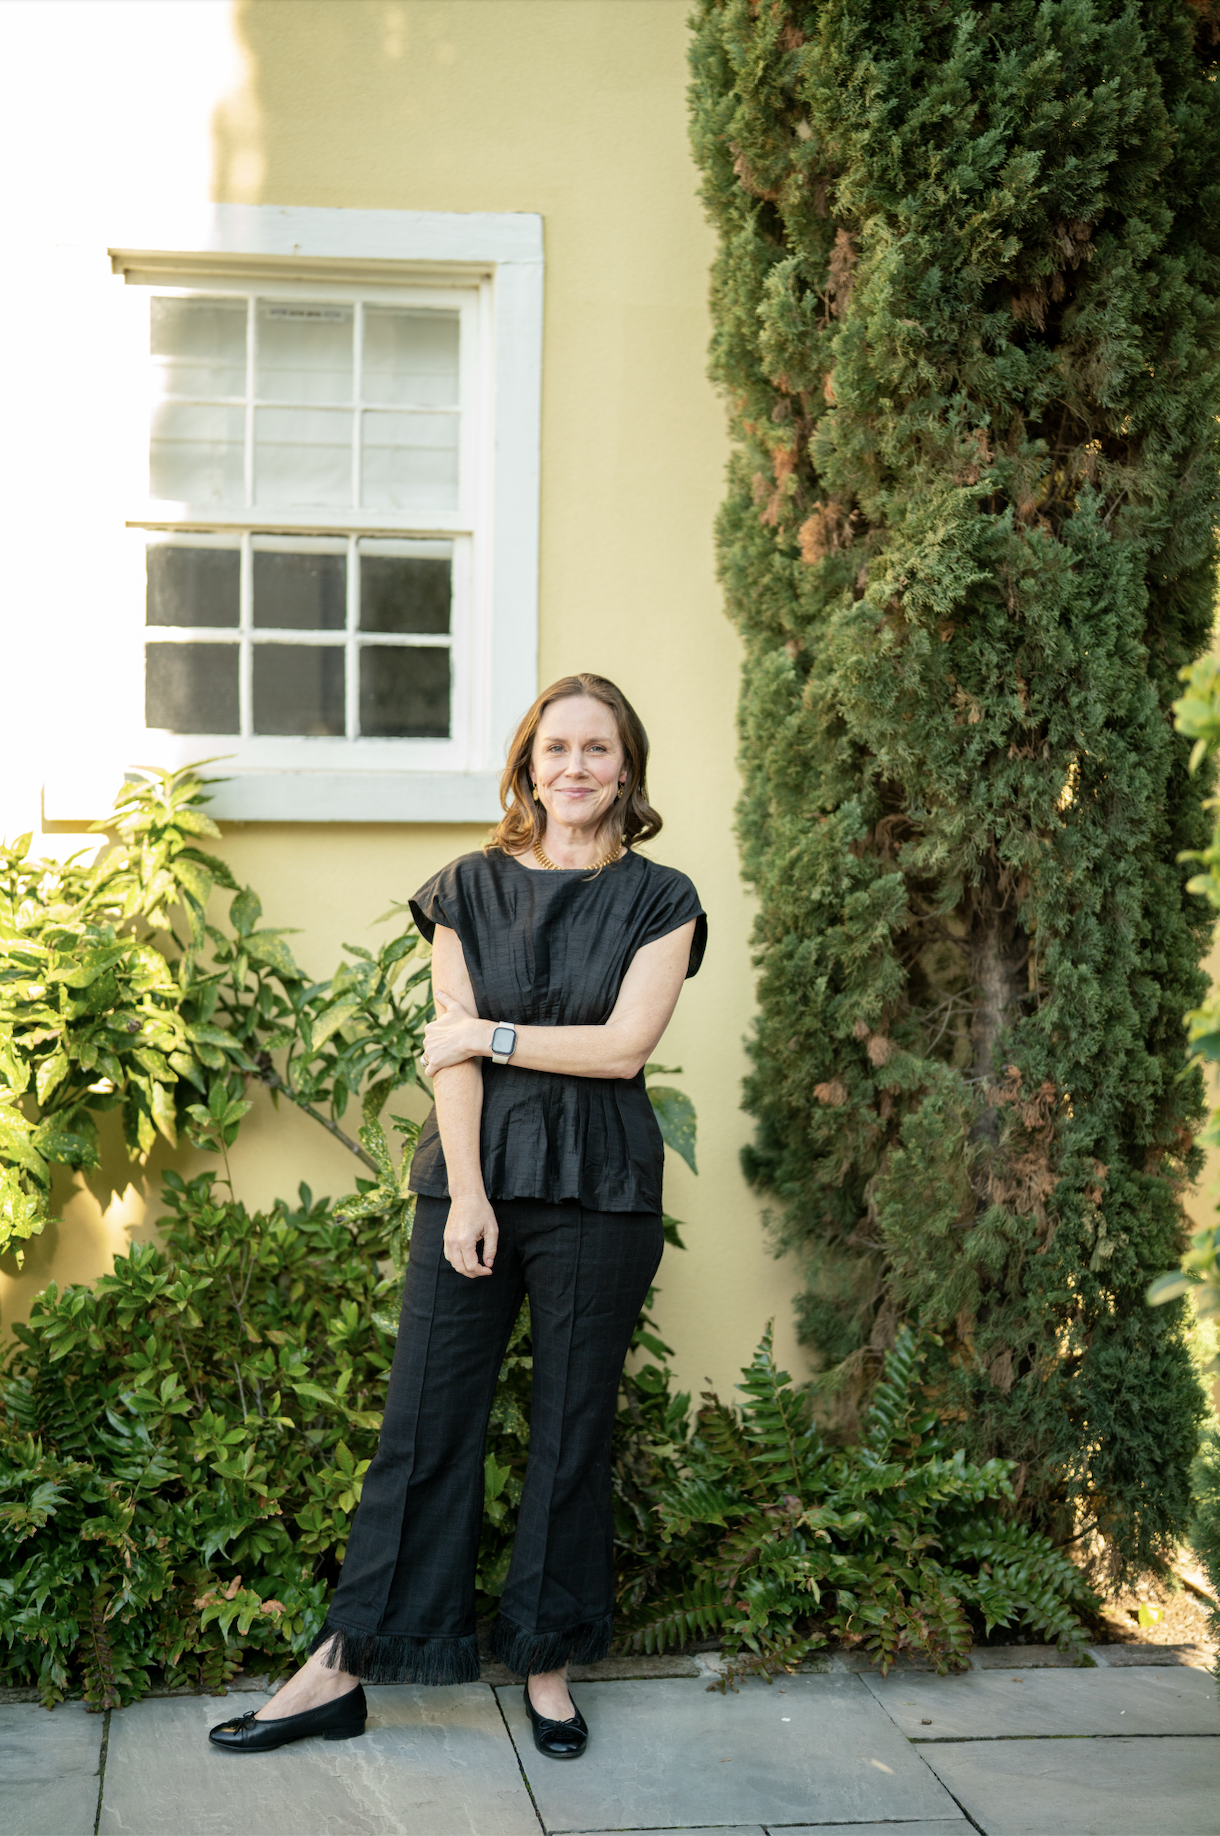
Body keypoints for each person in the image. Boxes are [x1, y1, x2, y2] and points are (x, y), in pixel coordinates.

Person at [208, 673, 706, 1759]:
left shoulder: (662, 899)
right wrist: (468, 1191)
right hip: (472, 1183)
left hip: (602, 1191)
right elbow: (447, 1056)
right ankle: (338, 1668)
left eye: (597, 749)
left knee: (572, 1431)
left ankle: (545, 1664)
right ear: (528, 763)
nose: (574, 767)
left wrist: (493, 1033)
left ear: (627, 769)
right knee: (422, 1429)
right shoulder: (466, 889)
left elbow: (622, 1049)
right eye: (555, 747)